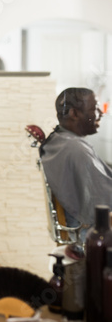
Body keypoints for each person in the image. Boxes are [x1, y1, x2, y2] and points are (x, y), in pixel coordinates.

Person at [40, 87, 111, 239]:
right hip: (90, 236)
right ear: (74, 113)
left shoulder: (60, 141)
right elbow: (104, 203)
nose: (101, 113)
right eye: (95, 109)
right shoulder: (76, 149)